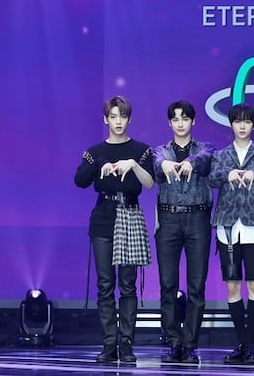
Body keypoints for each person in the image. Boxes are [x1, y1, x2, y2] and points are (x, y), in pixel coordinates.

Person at [74, 96, 155, 363]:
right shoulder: (94, 151)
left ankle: (127, 342)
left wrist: (133, 164)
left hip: (130, 214)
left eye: (123, 116)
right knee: (105, 285)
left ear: (129, 119)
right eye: (113, 116)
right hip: (104, 218)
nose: (118, 121)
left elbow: (150, 183)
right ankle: (109, 343)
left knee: (128, 285)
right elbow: (79, 181)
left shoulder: (141, 150)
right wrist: (99, 165)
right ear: (105, 119)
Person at [208, 104, 254, 365]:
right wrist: (229, 174)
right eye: (238, 121)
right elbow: (212, 178)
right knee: (232, 285)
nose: (242, 126)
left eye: (247, 122)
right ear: (231, 124)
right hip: (227, 226)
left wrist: (253, 173)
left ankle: (251, 345)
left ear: (253, 125)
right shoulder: (221, 155)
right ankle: (242, 343)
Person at [153, 100, 214, 364]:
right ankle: (173, 342)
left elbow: (205, 160)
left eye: (185, 118)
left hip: (198, 218)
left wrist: (190, 162)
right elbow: (157, 165)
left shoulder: (205, 149)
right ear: (170, 123)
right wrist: (164, 165)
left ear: (193, 121)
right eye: (175, 119)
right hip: (168, 219)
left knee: (196, 286)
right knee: (168, 285)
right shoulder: (160, 151)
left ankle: (190, 344)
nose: (180, 123)